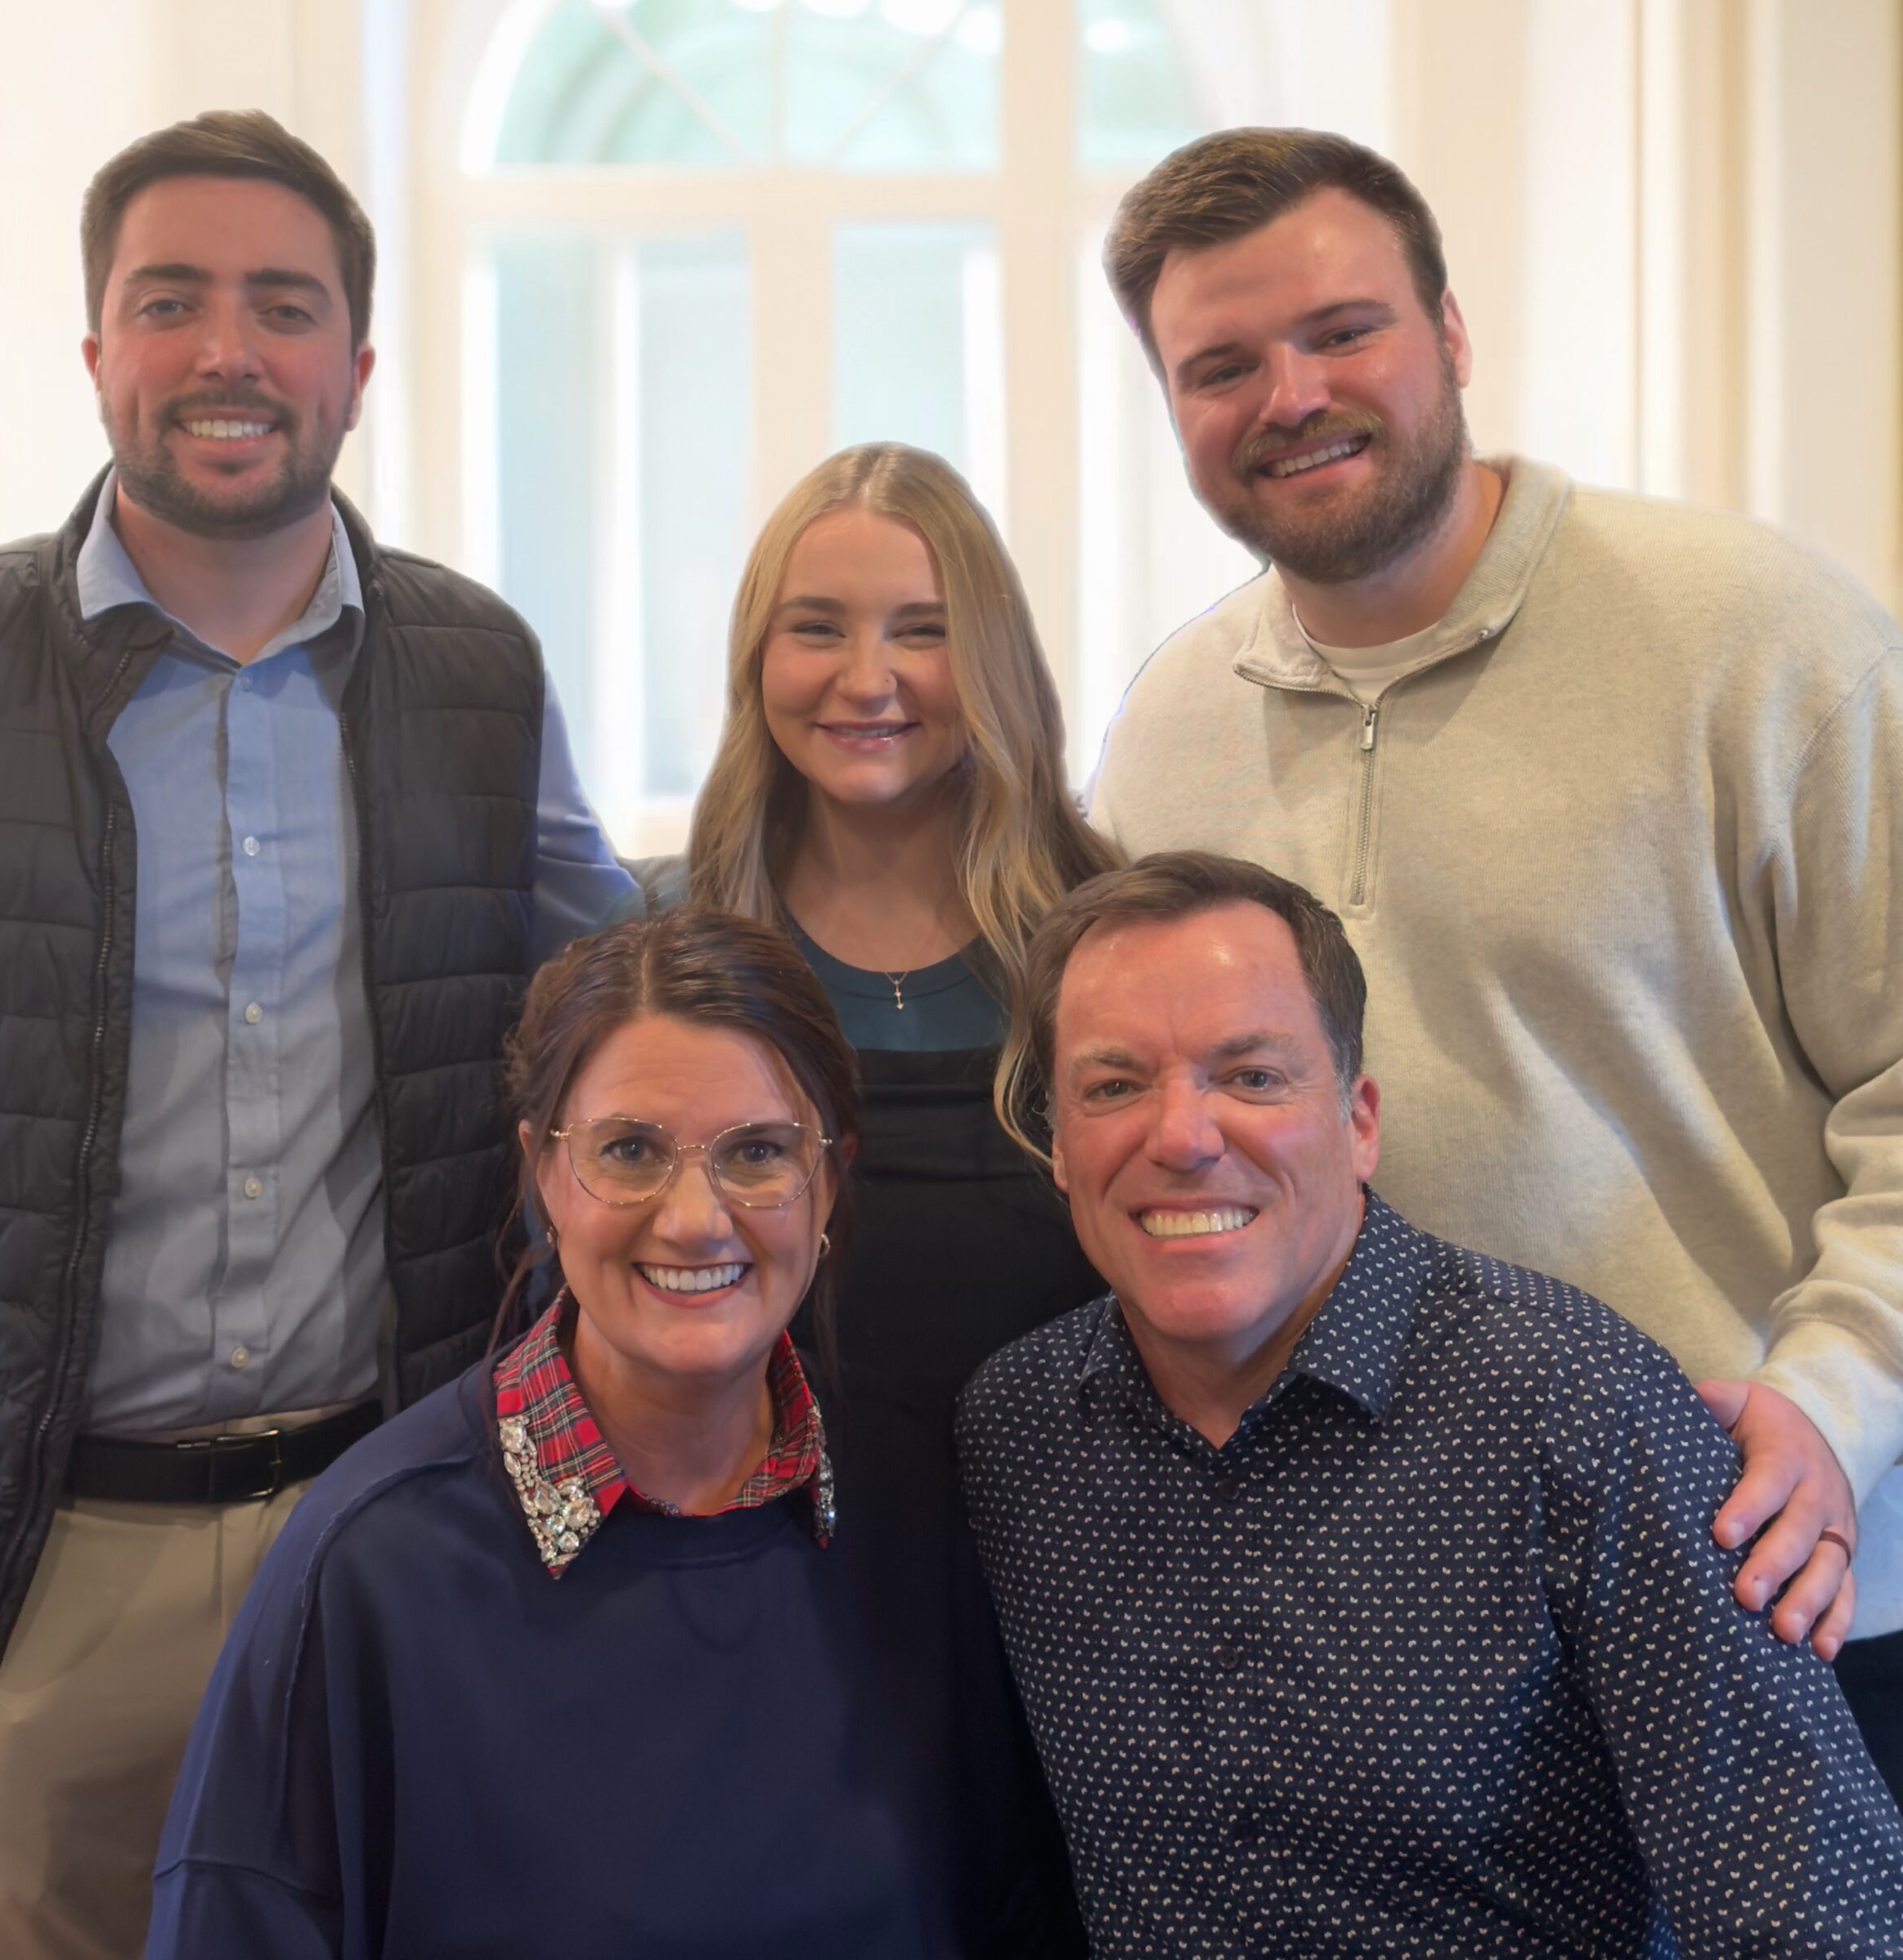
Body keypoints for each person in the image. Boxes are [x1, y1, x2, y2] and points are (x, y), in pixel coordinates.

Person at [0, 110, 631, 1956]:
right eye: (168, 300)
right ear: (95, 346)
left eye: (283, 305)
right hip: (12, 1598)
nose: (225, 352)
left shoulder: (480, 673)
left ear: (357, 364)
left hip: (386, 1541)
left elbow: (638, 1022)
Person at [1085, 126, 1903, 1793]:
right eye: (1221, 366)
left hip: (1767, 1587)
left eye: (1342, 331)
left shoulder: (1758, 638)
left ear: (1449, 334)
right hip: (1382, 1642)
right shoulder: (1166, 728)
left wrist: (1832, 1399)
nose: (1291, 395)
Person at [958, 850, 1903, 1957]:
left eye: (1251, 1077)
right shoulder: (1016, 1432)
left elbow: (1813, 1912)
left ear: (1359, 1122)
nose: (1181, 1137)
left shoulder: (1581, 1410)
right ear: (1058, 1146)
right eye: (1115, 1086)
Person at [152, 907, 1007, 1955]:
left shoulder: (919, 1511)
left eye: (757, 1152)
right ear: (543, 1175)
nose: (694, 1219)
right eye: (630, 1150)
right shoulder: (369, 1564)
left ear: (828, 1179)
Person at [685, 442, 1118, 1947]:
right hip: (767, 1622)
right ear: (758, 657)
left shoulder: (1105, 943)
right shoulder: (675, 957)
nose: (867, 678)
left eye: (921, 630)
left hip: (1078, 1629)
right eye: (817, 626)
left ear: (988, 656)